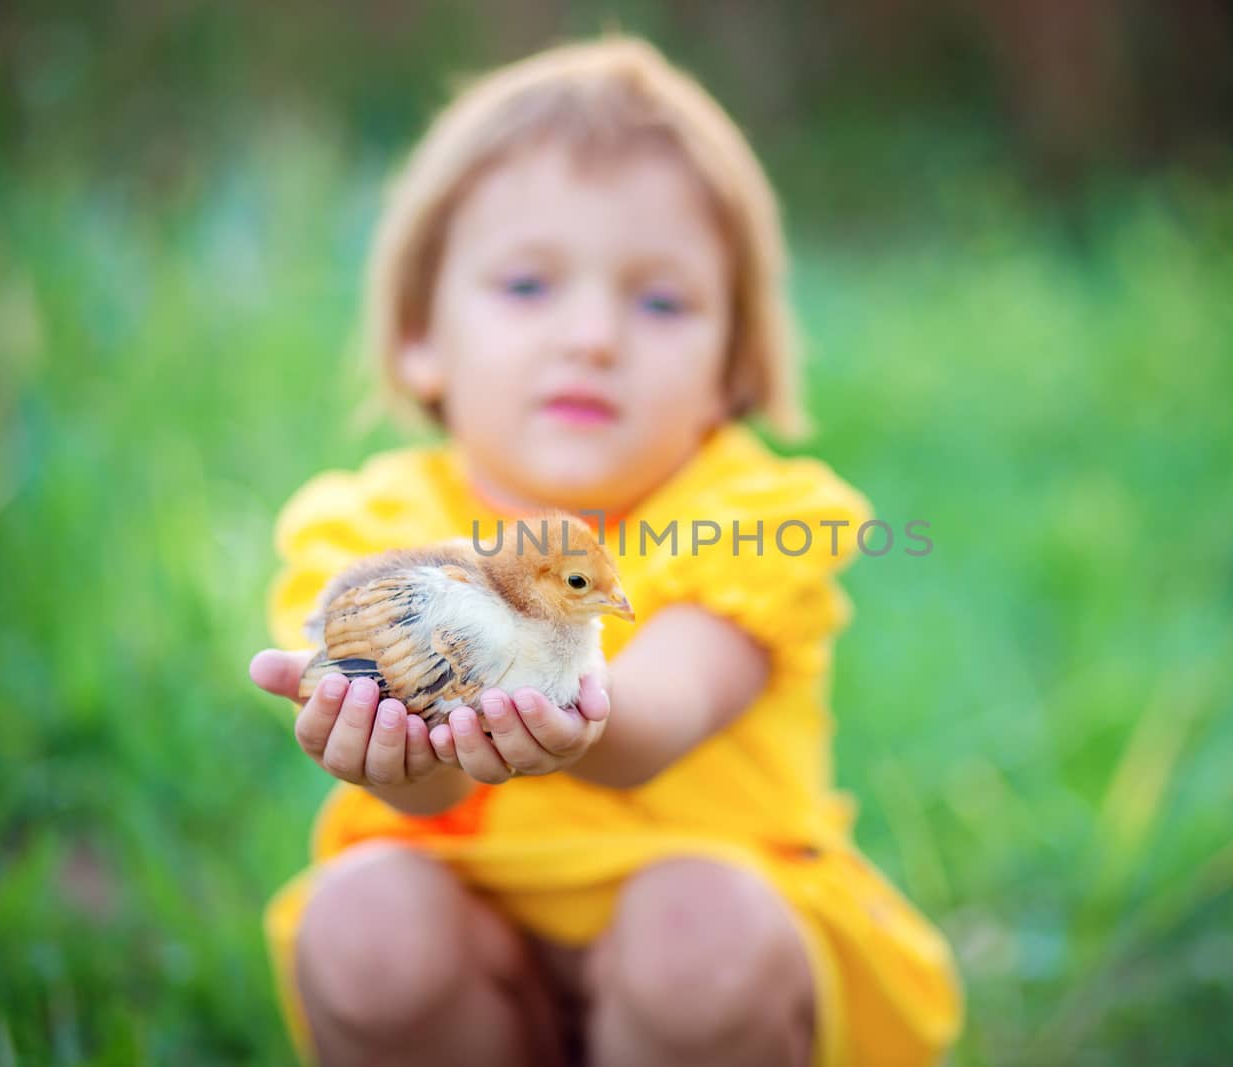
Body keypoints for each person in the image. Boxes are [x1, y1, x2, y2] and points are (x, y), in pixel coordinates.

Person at [248, 35, 961, 1067]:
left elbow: (661, 710)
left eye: (660, 301)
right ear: (419, 331)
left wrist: (563, 714)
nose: (591, 335)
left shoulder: (754, 514)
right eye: (528, 286)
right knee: (364, 923)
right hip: (471, 931)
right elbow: (422, 786)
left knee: (697, 931)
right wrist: (396, 754)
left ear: (732, 368)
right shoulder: (369, 530)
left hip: (703, 959)